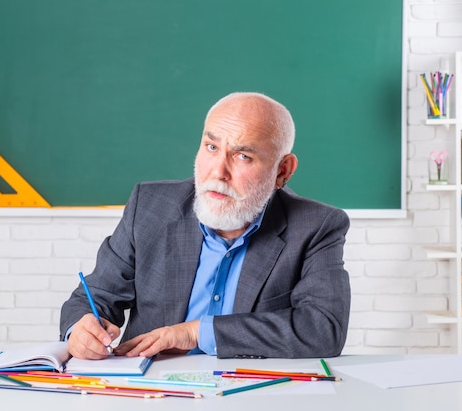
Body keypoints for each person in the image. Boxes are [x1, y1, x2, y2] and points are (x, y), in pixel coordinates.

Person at [59, 92, 351, 360]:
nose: (218, 172)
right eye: (211, 147)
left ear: (282, 170)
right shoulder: (150, 207)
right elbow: (93, 297)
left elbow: (322, 330)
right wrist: (82, 328)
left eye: (243, 156)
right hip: (150, 391)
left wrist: (196, 331)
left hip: (248, 393)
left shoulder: (317, 226)